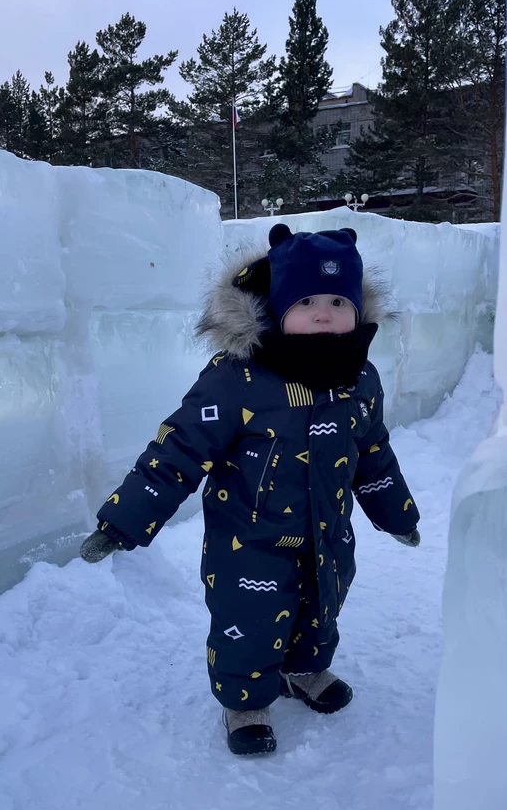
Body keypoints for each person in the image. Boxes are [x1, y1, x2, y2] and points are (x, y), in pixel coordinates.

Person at [80, 224, 420, 756]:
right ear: (278, 307)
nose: (325, 312)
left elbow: (373, 452)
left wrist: (397, 514)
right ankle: (245, 701)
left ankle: (304, 671)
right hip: (250, 543)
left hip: (327, 533)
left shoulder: (361, 379)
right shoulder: (237, 377)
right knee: (249, 621)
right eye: (307, 300)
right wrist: (123, 520)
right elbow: (178, 450)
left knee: (322, 606)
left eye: (338, 300)